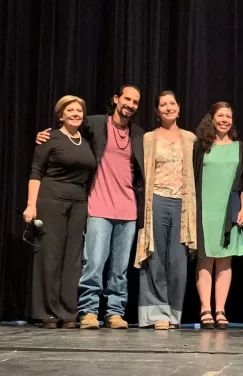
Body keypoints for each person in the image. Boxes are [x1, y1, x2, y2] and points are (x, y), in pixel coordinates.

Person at [36, 85, 145, 330]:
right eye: (126, 98)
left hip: (128, 209)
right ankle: (88, 310)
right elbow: (68, 132)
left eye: (135, 102)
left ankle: (115, 312)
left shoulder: (138, 134)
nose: (130, 104)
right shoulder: (95, 124)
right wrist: (47, 135)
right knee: (94, 263)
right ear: (116, 99)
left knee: (120, 269)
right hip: (99, 204)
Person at [24, 95, 96, 329]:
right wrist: (30, 204)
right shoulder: (50, 138)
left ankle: (67, 313)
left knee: (72, 259)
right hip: (51, 200)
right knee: (50, 256)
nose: (76, 114)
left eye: (79, 111)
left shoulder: (85, 143)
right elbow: (36, 172)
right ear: (61, 115)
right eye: (71, 110)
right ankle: (47, 313)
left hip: (78, 204)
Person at [134, 90, 197, 330]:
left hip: (182, 203)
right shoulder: (149, 138)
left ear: (179, 107)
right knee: (156, 257)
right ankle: (156, 313)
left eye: (172, 103)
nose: (168, 107)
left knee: (178, 262)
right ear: (157, 110)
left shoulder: (190, 139)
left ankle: (174, 313)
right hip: (157, 200)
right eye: (163, 104)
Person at [193, 102, 243, 330]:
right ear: (212, 119)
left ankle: (220, 309)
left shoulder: (238, 147)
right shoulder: (201, 146)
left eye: (228, 116)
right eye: (220, 116)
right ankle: (205, 308)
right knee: (205, 258)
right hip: (205, 208)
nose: (224, 120)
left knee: (226, 260)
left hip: (230, 208)